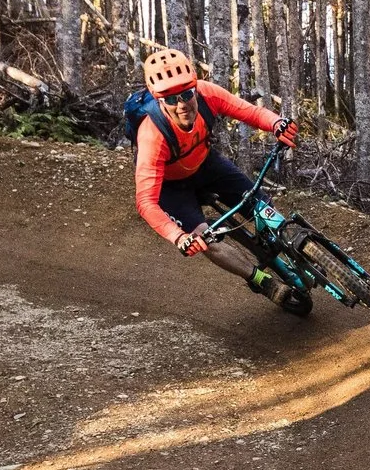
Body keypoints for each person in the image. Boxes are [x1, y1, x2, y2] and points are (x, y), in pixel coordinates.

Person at [127, 48, 306, 313]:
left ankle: (289, 246)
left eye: (187, 93)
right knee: (205, 240)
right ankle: (262, 281)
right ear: (159, 99)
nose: (182, 104)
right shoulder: (152, 136)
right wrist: (179, 238)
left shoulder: (208, 94)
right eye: (171, 98)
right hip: (172, 187)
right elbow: (145, 201)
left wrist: (276, 123)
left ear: (195, 87)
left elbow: (250, 112)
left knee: (261, 206)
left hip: (205, 164)